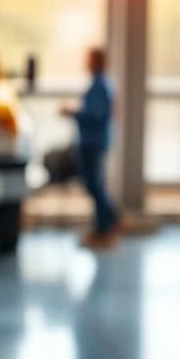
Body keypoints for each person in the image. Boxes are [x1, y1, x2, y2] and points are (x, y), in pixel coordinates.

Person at [60, 47, 119, 250]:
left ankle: (106, 227)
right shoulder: (99, 84)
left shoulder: (101, 85)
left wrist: (73, 112)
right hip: (93, 141)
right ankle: (110, 221)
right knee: (95, 185)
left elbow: (94, 114)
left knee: (95, 186)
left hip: (93, 142)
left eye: (89, 59)